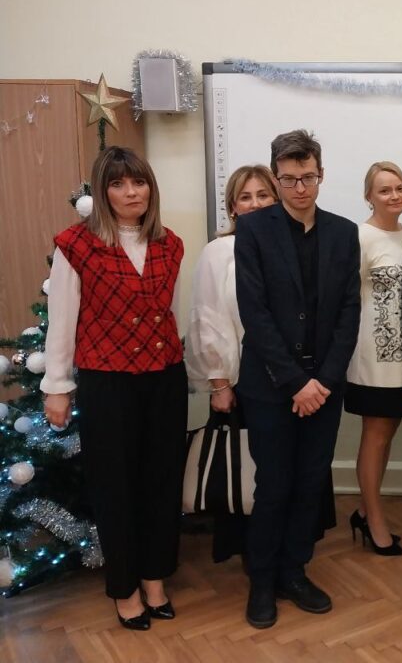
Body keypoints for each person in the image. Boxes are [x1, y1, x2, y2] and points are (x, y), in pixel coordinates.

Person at [42, 146, 186, 631]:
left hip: (164, 377)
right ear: (103, 192)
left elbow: (170, 312)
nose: (131, 192)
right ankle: (124, 588)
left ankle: (154, 578)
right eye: (119, 184)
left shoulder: (170, 243)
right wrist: (57, 386)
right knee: (115, 486)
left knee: (162, 481)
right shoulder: (76, 246)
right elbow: (62, 321)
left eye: (139, 182)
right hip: (107, 382)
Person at [234, 130, 360, 629]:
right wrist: (295, 383)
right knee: (274, 484)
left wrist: (322, 381)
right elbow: (254, 312)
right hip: (270, 386)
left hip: (324, 387)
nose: (299, 188)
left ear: (321, 174)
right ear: (276, 178)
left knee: (311, 482)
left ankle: (294, 571)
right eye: (288, 179)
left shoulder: (342, 232)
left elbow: (349, 311)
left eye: (307, 177)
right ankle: (262, 580)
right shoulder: (253, 230)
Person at [184, 164, 277, 562]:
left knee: (280, 470)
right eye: (246, 197)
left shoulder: (291, 245)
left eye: (263, 195)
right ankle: (250, 554)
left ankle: (281, 547)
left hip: (286, 381)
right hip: (238, 380)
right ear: (233, 207)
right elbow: (206, 317)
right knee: (245, 469)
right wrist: (219, 383)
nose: (255, 203)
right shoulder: (219, 251)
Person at [346, 162, 402, 557]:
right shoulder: (359, 237)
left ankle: (362, 510)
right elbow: (346, 299)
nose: (394, 195)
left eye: (399, 187)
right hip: (373, 356)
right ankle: (374, 520)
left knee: (387, 433)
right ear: (369, 196)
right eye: (385, 190)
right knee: (375, 434)